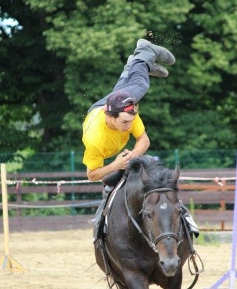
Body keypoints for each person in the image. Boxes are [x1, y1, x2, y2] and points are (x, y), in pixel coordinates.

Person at [82, 39, 199, 241]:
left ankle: (140, 59)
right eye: (126, 122)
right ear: (110, 116)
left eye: (132, 120)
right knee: (138, 84)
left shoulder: (128, 115)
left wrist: (132, 157)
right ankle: (142, 56)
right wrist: (116, 165)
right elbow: (91, 175)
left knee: (134, 86)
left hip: (111, 107)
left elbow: (144, 140)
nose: (130, 125)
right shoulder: (95, 140)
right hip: (100, 111)